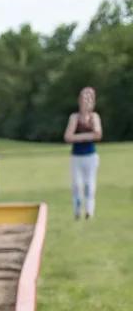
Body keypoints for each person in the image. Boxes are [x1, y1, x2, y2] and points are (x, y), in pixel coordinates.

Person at [64, 86, 102, 220]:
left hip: (90, 156)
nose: (86, 101)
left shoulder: (94, 117)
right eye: (84, 98)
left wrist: (78, 137)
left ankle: (89, 211)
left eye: (89, 99)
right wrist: (88, 136)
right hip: (76, 157)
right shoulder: (74, 117)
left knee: (89, 184)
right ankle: (77, 210)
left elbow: (98, 135)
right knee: (77, 185)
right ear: (79, 100)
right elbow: (68, 137)